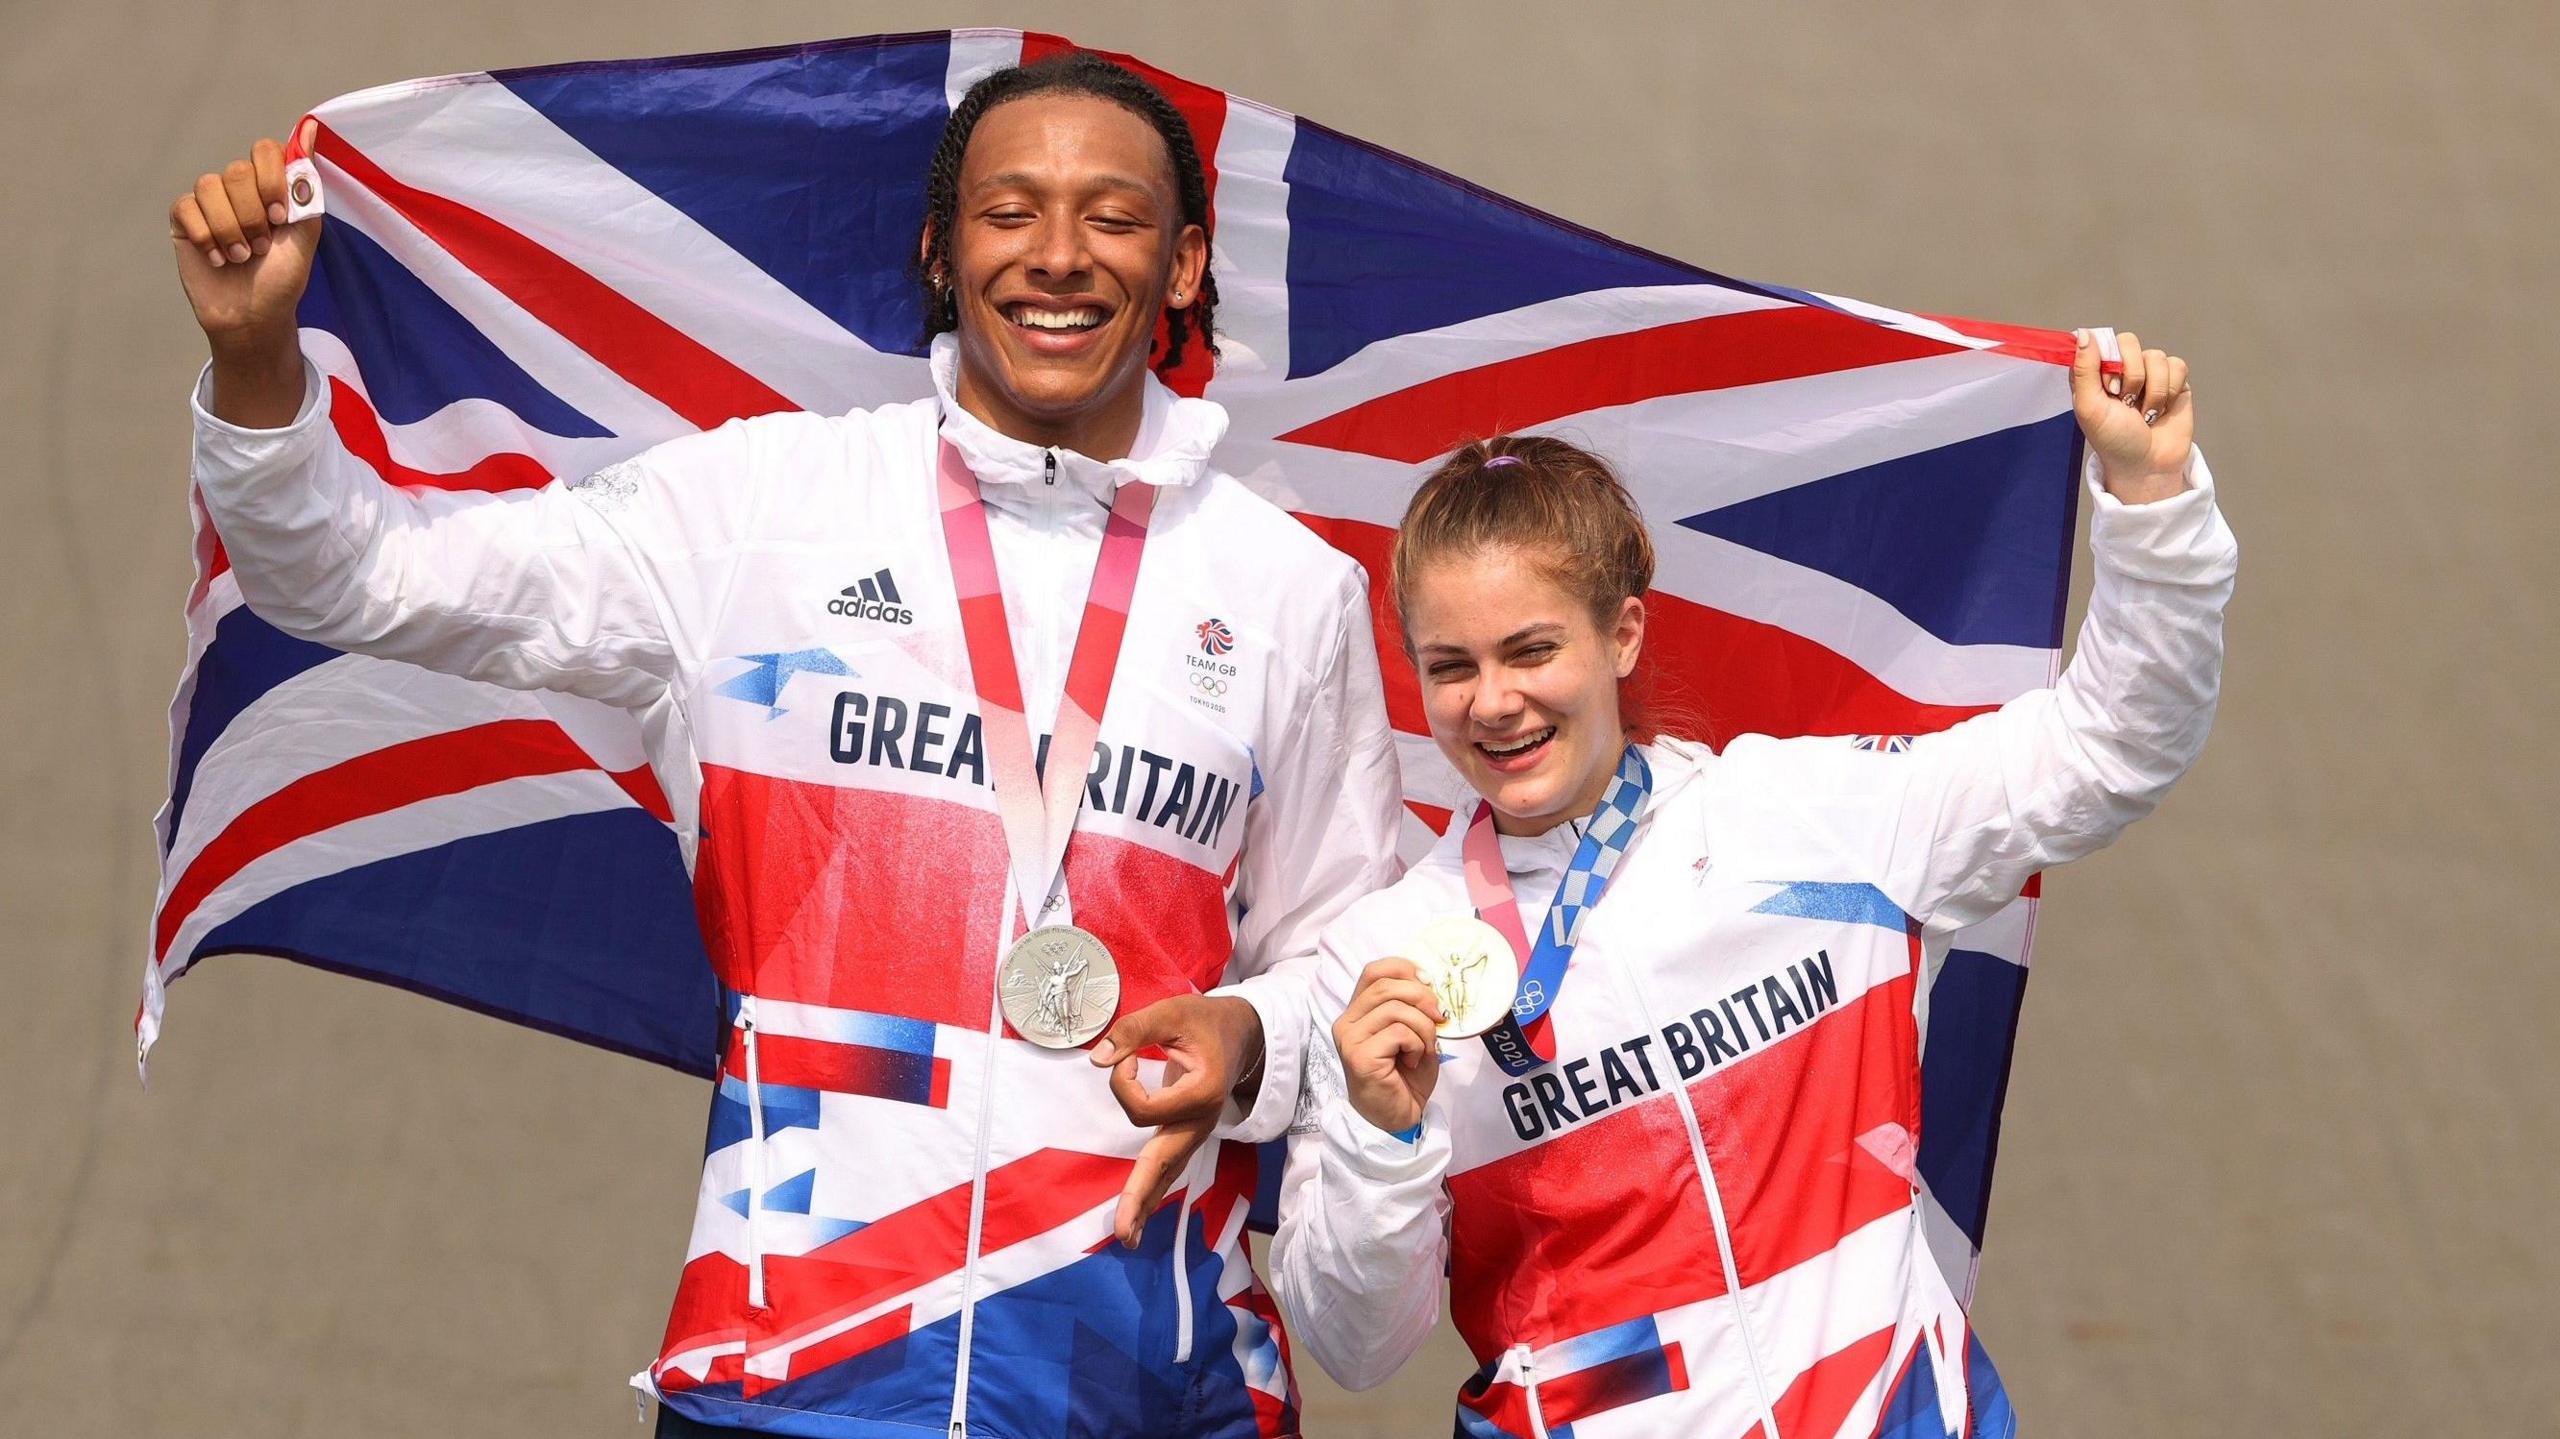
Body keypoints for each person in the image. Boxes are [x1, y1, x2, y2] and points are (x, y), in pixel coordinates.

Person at [171, 51, 1403, 1438]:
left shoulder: (1286, 590)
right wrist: (255, 356)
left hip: (1143, 1387)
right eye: (1012, 213)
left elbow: (1356, 953)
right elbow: (358, 573)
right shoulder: (759, 510)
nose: (1058, 257)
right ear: (942, 249)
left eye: (1110, 219)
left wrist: (1251, 1028)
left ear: (1182, 267)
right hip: (793, 1377)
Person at [1267, 334, 2234, 1437]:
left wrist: (2151, 497)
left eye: (1530, 649)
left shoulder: (1807, 819)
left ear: (1621, 631)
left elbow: (2113, 745)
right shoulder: (1386, 957)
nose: (1493, 701)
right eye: (1451, 665)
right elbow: (1354, 1342)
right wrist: (1375, 1135)